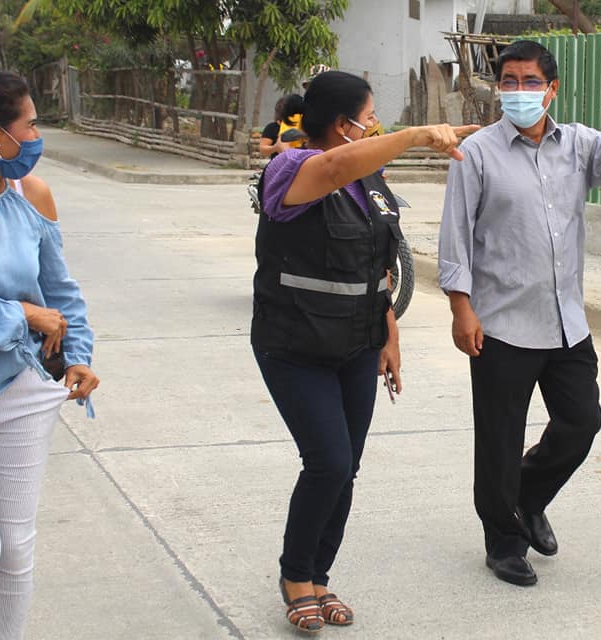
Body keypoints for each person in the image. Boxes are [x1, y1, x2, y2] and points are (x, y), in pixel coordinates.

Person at [438, 40, 601, 587]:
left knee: (582, 421)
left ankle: (528, 496)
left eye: (530, 81)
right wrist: (462, 309)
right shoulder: (477, 153)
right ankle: (503, 542)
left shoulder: (578, 144)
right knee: (499, 440)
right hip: (501, 324)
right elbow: (456, 235)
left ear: (552, 89)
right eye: (509, 81)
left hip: (565, 322)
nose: (518, 91)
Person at [252, 69, 476, 632]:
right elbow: (329, 170)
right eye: (369, 117)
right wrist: (416, 135)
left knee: (346, 468)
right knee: (327, 461)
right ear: (341, 124)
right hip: (294, 343)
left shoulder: (370, 178)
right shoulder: (289, 168)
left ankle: (319, 575)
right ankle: (294, 575)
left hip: (357, 341)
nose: (375, 125)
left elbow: (378, 263)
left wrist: (389, 333)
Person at [0, 70, 99, 639]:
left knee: (15, 550)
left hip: (22, 390)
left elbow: (59, 290)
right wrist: (21, 315)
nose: (38, 137)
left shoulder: (32, 196)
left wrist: (79, 353)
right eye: (32, 125)